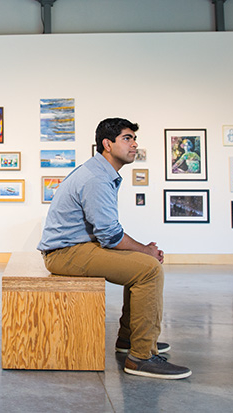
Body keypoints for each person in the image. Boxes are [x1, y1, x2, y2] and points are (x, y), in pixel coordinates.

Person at [37, 118, 192, 380]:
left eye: (134, 139)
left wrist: (141, 251)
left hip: (77, 247)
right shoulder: (96, 178)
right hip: (64, 253)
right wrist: (145, 250)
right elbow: (109, 235)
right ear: (107, 144)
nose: (134, 145)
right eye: (127, 138)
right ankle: (141, 357)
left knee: (141, 264)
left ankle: (129, 340)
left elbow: (107, 232)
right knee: (149, 270)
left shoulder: (100, 172)